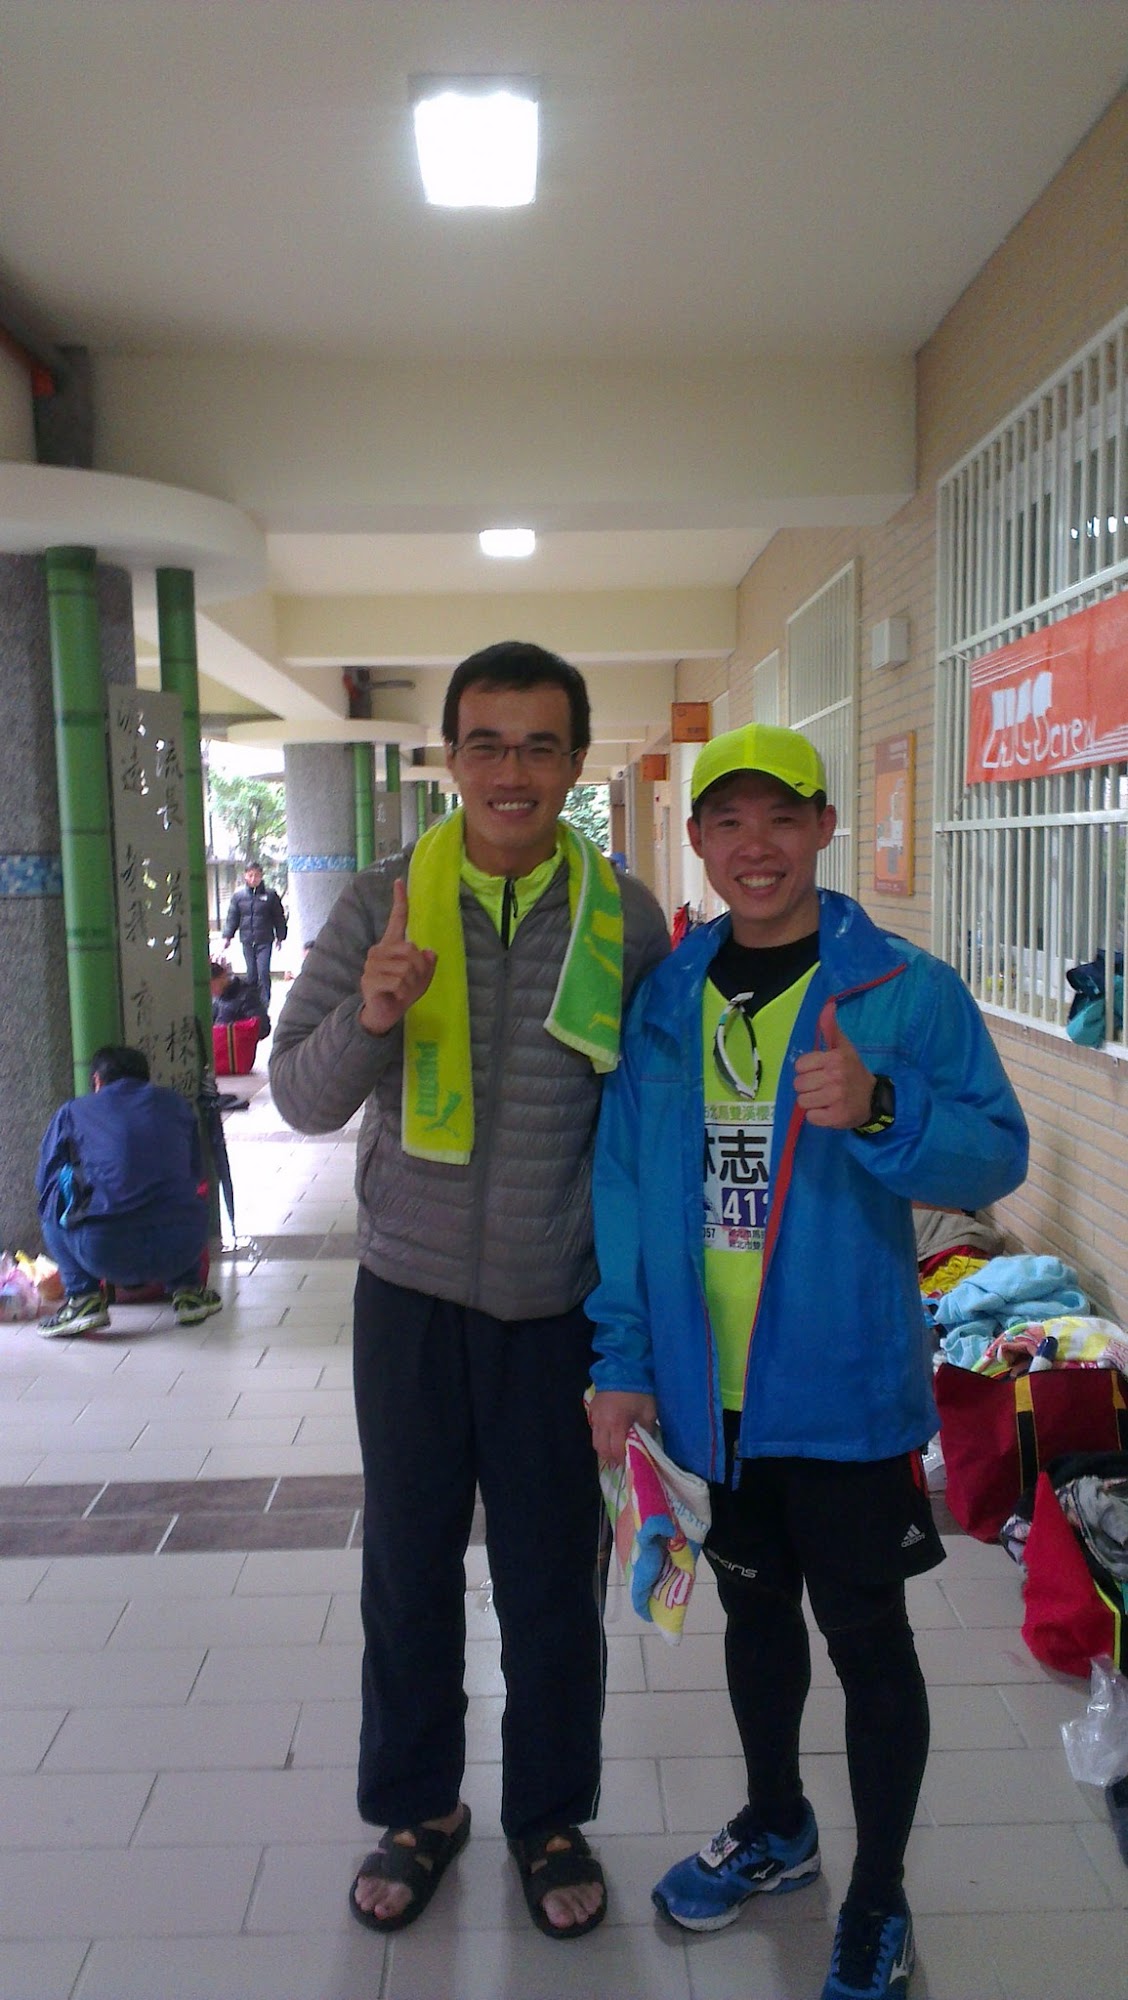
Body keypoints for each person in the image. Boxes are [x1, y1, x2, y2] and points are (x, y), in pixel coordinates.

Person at [587, 723, 1028, 2000]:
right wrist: (624, 1357)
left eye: (782, 817)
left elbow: (996, 1151)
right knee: (754, 1614)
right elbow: (624, 1190)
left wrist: (885, 1106)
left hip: (840, 1388)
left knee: (869, 1637)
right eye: (729, 821)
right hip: (705, 1394)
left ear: (825, 827)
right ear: (697, 840)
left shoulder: (902, 988)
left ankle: (878, 1893)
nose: (756, 845)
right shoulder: (664, 997)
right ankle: (779, 1821)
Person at [270, 640, 668, 1941]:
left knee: (554, 1577)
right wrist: (372, 1015)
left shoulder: (625, 918)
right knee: (409, 1564)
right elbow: (298, 1097)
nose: (512, 770)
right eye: (487, 743)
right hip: (411, 1296)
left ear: (575, 763)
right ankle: (418, 1807)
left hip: (559, 1305)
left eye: (540, 745)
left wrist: (639, 1342)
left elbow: (651, 1131)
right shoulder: (379, 903)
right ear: (450, 757)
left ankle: (548, 1814)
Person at [36, 1045, 222, 1337]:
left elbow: (44, 1180)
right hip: (183, 1248)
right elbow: (195, 1172)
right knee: (185, 1193)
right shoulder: (176, 1105)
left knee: (53, 1195)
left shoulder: (73, 1112)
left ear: (97, 1080)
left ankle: (83, 1299)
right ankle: (189, 1291)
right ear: (146, 1078)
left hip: (104, 1252)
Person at [222, 860, 287, 1008]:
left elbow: (279, 917)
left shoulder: (270, 895)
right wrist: (227, 937)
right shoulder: (238, 897)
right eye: (250, 875)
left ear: (261, 876)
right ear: (245, 875)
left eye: (257, 875)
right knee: (251, 974)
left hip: (265, 940)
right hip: (247, 941)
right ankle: (252, 1005)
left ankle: (264, 1005)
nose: (253, 879)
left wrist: (280, 936)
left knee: (263, 973)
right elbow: (232, 918)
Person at [210, 959, 269, 1039]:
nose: (211, 991)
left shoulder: (246, 996)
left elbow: (263, 1028)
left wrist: (234, 1031)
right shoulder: (216, 1000)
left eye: (212, 986)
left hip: (236, 1043)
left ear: (223, 976)